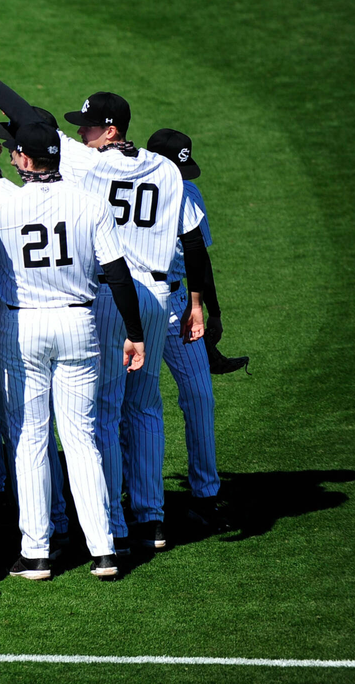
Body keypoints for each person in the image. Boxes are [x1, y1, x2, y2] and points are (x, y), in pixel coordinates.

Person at [0, 43, 215, 552]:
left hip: (114, 295)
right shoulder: (167, 170)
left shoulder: (87, 167)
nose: (80, 133)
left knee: (105, 412)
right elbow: (191, 241)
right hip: (158, 294)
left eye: (88, 126)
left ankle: (113, 522)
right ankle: (152, 516)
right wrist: (196, 301)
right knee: (147, 407)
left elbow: (26, 119)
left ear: (110, 130)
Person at [0, 123, 147, 581]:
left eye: (16, 154)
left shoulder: (3, 203)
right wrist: (133, 331)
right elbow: (117, 273)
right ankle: (104, 549)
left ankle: (35, 553)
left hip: (23, 324)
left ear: (27, 160)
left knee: (29, 437)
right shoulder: (88, 202)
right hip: (79, 321)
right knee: (81, 438)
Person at [146, 129, 230, 528]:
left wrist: (210, 311)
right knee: (137, 406)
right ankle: (142, 498)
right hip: (139, 305)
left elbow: (200, 257)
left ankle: (206, 494)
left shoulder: (188, 194)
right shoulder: (125, 189)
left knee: (199, 397)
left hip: (181, 302)